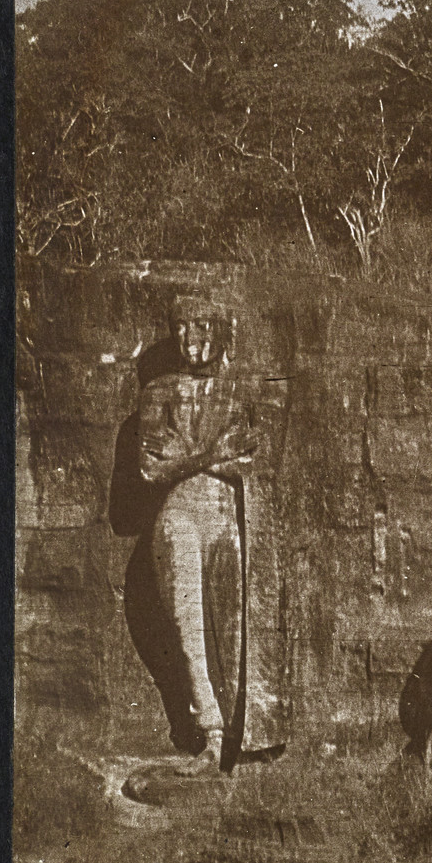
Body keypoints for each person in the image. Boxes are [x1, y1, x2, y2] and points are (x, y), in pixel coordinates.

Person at [138, 297, 257, 770]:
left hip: (229, 515)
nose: (191, 339)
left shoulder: (240, 389)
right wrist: (213, 454)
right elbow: (149, 470)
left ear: (222, 332)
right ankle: (210, 731)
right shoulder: (159, 391)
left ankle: (241, 736)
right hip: (180, 515)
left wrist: (185, 454)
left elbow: (253, 460)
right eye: (181, 327)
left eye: (201, 326)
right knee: (190, 628)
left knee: (236, 625)